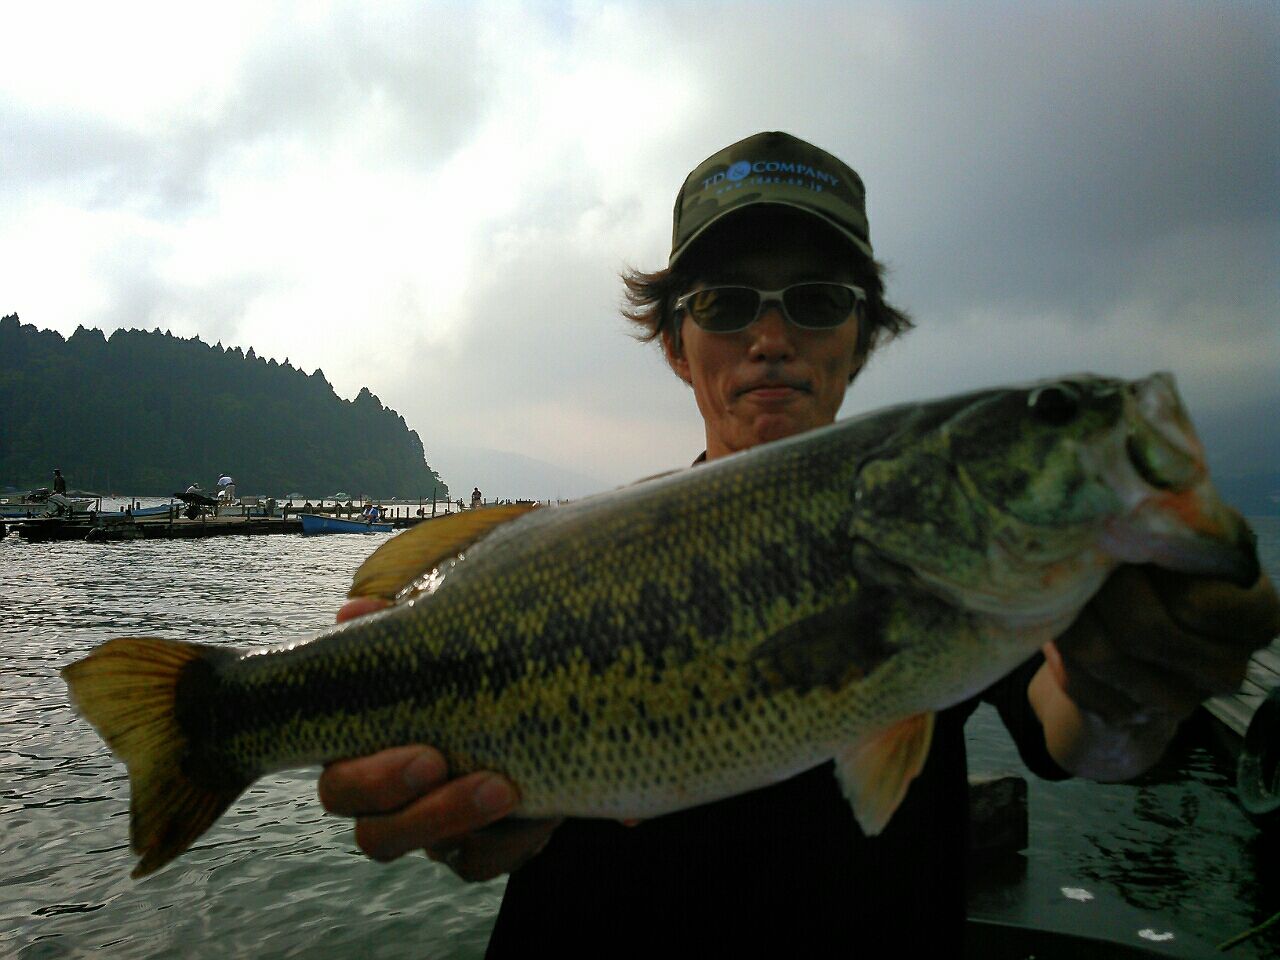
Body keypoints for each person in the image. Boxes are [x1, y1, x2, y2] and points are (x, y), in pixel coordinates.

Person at [318, 132, 1280, 954]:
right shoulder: (567, 565)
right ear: (676, 343)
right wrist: (479, 818)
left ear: (862, 336)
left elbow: (1077, 723)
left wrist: (1134, 687)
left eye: (816, 301)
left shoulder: (968, 577)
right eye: (726, 304)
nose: (771, 336)